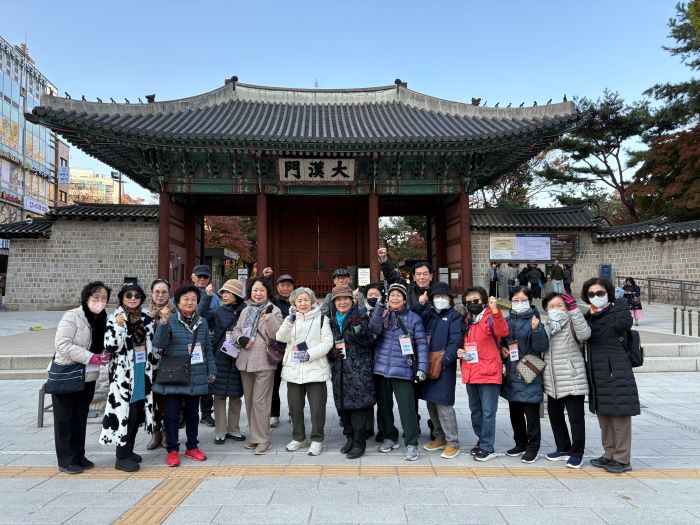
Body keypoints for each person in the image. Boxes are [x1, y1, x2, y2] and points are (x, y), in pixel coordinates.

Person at [51, 281, 112, 474]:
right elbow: (63, 345)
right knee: (65, 419)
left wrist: (105, 353)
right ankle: (66, 460)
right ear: (86, 298)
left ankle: (79, 455)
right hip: (67, 374)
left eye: (104, 298)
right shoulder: (73, 316)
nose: (100, 301)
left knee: (79, 418)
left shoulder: (103, 318)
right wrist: (91, 357)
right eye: (96, 297)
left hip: (88, 376)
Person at [152, 285, 216, 467]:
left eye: (193, 299)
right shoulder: (170, 319)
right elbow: (159, 343)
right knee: (172, 415)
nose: (189, 302)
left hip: (196, 373)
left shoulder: (202, 322)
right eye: (186, 299)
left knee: (192, 414)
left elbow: (208, 348)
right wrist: (163, 323)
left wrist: (211, 369)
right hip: (174, 374)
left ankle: (192, 446)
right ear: (178, 302)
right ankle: (172, 450)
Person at [100, 282, 159, 472]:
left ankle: (130, 450)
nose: (133, 299)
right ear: (122, 298)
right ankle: (122, 457)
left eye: (137, 295)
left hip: (142, 373)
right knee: (126, 415)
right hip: (123, 377)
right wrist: (118, 327)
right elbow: (111, 346)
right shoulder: (115, 318)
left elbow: (152, 345)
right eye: (129, 295)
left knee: (137, 415)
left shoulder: (145, 317)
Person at [583, 278, 639, 474]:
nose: (596, 297)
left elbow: (625, 323)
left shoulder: (617, 310)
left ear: (608, 293)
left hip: (616, 370)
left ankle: (622, 459)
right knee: (604, 414)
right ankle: (609, 453)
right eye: (591, 294)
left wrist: (621, 302)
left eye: (600, 293)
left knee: (620, 415)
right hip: (597, 371)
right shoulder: (589, 316)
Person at [369, 283, 428, 461]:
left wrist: (422, 368)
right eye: (391, 295)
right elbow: (374, 329)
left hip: (403, 369)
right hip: (381, 369)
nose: (394, 298)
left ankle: (411, 442)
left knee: (407, 408)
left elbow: (422, 345)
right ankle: (390, 436)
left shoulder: (414, 318)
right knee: (384, 407)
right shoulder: (383, 315)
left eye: (398, 295)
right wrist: (379, 308)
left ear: (404, 299)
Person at [276, 287, 333, 456]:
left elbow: (327, 343)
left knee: (317, 408)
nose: (303, 303)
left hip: (316, 369)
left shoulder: (322, 319)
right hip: (293, 370)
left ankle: (317, 439)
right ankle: (299, 438)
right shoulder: (290, 319)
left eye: (306, 300)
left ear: (313, 301)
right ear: (294, 303)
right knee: (294, 407)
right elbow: (280, 338)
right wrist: (289, 320)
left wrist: (308, 354)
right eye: (299, 301)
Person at [231, 277, 283, 455]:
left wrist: (268, 317)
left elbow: (276, 334)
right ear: (250, 292)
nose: (258, 293)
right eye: (255, 290)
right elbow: (236, 330)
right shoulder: (246, 310)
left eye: (261, 290)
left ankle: (263, 439)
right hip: (245, 360)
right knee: (250, 401)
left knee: (260, 402)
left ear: (267, 292)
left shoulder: (274, 309)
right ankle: (255, 436)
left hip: (264, 361)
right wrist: (240, 339)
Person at [541, 292, 591, 469]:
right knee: (555, 416)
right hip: (552, 380)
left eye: (559, 305)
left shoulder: (572, 322)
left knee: (576, 419)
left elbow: (585, 334)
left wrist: (574, 310)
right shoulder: (545, 325)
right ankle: (562, 448)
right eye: (551, 306)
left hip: (572, 378)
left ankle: (577, 453)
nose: (555, 309)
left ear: (566, 307)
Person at [459, 287, 509, 462]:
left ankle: (488, 447)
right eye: (468, 301)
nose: (472, 304)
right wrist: (460, 351)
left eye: (476, 300)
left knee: (488, 412)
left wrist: (495, 310)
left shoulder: (490, 317)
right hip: (471, 371)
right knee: (475, 411)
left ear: (484, 301)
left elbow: (502, 331)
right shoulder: (467, 320)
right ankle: (481, 440)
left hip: (489, 372)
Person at [327, 285, 376, 459]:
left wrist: (358, 328)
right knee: (343, 408)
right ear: (334, 303)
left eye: (346, 299)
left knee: (357, 409)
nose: (342, 302)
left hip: (358, 370)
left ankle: (359, 443)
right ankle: (349, 439)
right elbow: (328, 343)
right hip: (339, 371)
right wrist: (331, 353)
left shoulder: (361, 316)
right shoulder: (331, 321)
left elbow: (369, 341)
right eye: (338, 299)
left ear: (352, 300)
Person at [501, 286, 549, 463]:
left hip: (529, 372)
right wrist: (501, 349)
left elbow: (541, 346)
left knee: (531, 414)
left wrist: (536, 330)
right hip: (512, 372)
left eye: (523, 300)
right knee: (515, 412)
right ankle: (520, 443)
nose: (519, 303)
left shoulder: (535, 321)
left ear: (530, 301)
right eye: (515, 300)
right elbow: (500, 341)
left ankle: (533, 447)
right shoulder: (506, 321)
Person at [420, 282, 463, 459]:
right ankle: (439, 437)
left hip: (443, 366)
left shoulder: (455, 317)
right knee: (431, 402)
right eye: (437, 296)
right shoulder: (428, 315)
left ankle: (453, 442)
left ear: (450, 299)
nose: (440, 299)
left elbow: (455, 341)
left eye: (444, 296)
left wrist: (445, 360)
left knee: (444, 404)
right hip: (427, 363)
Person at [201, 279, 247, 445]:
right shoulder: (218, 311)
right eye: (223, 293)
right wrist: (207, 297)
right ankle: (220, 430)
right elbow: (201, 315)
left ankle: (234, 429)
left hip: (239, 356)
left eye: (228, 292)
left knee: (236, 395)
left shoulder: (246, 311)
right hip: (220, 356)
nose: (224, 295)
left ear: (237, 294)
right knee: (219, 395)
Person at [146, 277, 172, 450]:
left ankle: (167, 432)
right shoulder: (144, 314)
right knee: (151, 399)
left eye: (164, 292)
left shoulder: (175, 313)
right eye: (157, 292)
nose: (160, 295)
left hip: (168, 364)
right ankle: (155, 431)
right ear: (151, 294)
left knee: (167, 399)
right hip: (149, 365)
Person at [191, 264, 217, 427]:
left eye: (205, 277)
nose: (202, 279)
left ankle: (206, 413)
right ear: (193, 277)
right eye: (199, 276)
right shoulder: (186, 293)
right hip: (189, 340)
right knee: (189, 377)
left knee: (208, 377)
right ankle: (186, 413)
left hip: (208, 340)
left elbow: (216, 316)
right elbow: (196, 315)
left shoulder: (215, 297)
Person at [270, 273, 295, 428]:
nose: (285, 288)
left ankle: (294, 413)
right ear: (277, 287)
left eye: (288, 285)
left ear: (293, 287)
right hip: (278, 348)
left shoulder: (297, 301)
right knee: (274, 383)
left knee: (294, 383)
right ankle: (274, 413)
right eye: (282, 285)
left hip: (293, 348)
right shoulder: (273, 302)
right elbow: (263, 291)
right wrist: (265, 278)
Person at [378, 247, 433, 315]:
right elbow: (393, 277)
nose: (422, 277)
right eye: (418, 274)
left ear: (431, 276)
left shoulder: (437, 291)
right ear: (414, 277)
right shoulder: (407, 288)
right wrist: (384, 260)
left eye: (425, 274)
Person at [363, 282, 385, 441]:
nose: (373, 297)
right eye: (370, 294)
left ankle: (383, 429)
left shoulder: (387, 312)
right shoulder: (361, 312)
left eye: (376, 295)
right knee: (367, 395)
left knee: (382, 397)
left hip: (382, 359)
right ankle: (367, 427)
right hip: (365, 359)